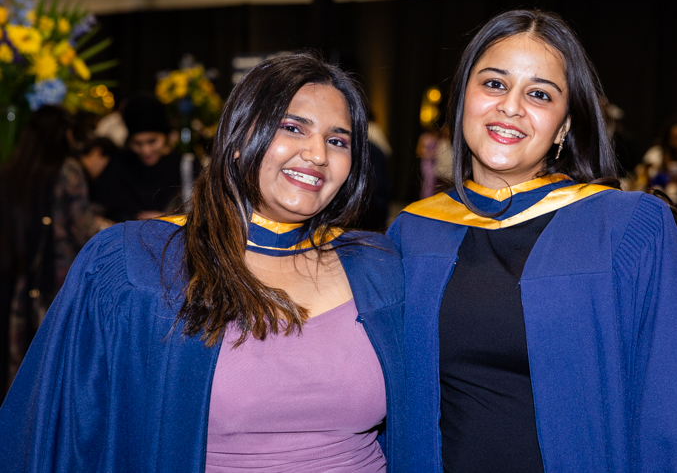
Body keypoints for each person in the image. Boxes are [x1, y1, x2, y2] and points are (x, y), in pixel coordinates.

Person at [0, 54, 407, 472]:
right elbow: (58, 430)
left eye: (338, 141)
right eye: (291, 127)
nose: (318, 154)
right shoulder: (137, 264)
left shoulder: (379, 268)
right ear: (236, 138)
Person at [387, 9, 677, 472]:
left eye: (539, 94)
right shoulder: (413, 232)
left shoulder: (627, 230)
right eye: (494, 84)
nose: (511, 106)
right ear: (461, 100)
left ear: (564, 126)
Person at [0, 106, 111, 400]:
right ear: (63, 133)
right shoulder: (68, 170)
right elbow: (82, 229)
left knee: (22, 365)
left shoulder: (12, 171)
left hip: (21, 279)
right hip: (61, 278)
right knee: (58, 366)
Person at [92, 95, 200, 221]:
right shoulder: (119, 166)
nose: (146, 150)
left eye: (152, 141)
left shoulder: (186, 166)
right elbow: (101, 208)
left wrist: (167, 219)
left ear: (166, 137)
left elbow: (201, 212)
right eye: (137, 143)